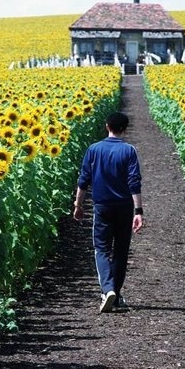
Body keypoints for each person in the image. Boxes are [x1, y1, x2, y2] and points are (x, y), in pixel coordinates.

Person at [73, 112, 144, 313]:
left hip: (102, 206)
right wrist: (138, 210)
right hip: (124, 207)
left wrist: (78, 206)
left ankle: (107, 290)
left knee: (101, 248)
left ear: (107, 126)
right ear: (125, 129)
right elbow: (134, 181)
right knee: (121, 251)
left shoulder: (94, 149)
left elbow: (83, 180)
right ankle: (117, 295)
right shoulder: (129, 151)